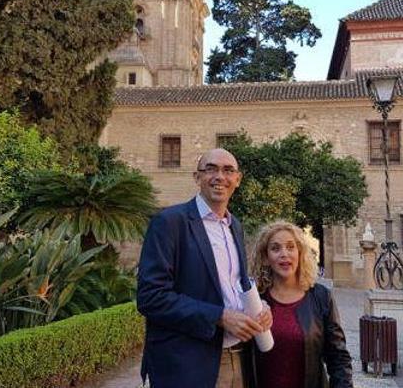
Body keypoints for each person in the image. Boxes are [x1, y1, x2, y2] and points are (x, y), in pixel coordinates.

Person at [137, 148, 271, 388]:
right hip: (189, 365)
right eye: (211, 169)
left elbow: (234, 284)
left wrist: (260, 307)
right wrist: (219, 316)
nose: (220, 176)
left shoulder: (234, 226)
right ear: (197, 177)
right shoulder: (169, 222)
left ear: (237, 180)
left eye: (228, 170)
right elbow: (151, 297)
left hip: (240, 358)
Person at [249, 222, 353, 388]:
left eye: (290, 247)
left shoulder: (321, 297)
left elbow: (338, 358)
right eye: (275, 249)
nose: (284, 254)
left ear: (300, 253)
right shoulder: (254, 300)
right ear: (266, 258)